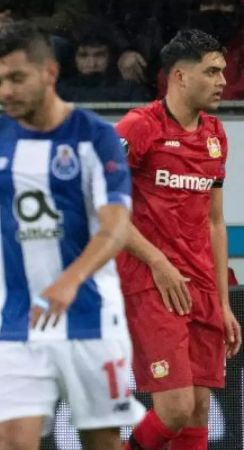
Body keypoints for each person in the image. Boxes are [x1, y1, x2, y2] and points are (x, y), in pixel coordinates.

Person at [0, 22, 144, 450]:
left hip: (91, 320)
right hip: (16, 322)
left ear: (50, 73)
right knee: (7, 441)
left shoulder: (96, 137)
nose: (6, 91)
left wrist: (70, 280)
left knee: (103, 443)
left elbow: (115, 227)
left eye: (17, 78)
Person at [117, 29, 241, 450]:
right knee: (174, 406)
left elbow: (215, 221)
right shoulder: (138, 127)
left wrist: (223, 303)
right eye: (212, 71)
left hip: (202, 284)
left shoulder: (216, 135)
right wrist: (157, 262)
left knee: (200, 407)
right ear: (180, 77)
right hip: (152, 282)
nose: (223, 81)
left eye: (223, 71)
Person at [57, 21, 151, 102]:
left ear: (111, 56)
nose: (91, 64)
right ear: (74, 58)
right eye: (83, 55)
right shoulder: (60, 92)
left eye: (99, 55)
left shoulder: (131, 91)